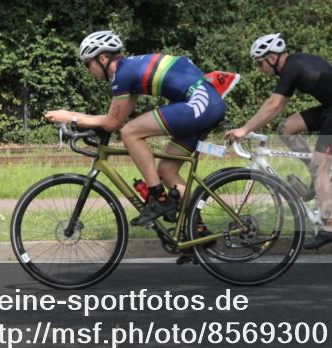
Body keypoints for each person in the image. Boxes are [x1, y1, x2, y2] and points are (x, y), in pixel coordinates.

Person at [44, 30, 228, 227]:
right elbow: (113, 119)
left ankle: (159, 198)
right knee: (166, 170)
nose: (88, 70)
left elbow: (113, 124)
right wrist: (77, 118)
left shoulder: (123, 73)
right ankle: (197, 230)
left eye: (88, 63)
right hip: (206, 103)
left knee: (130, 132)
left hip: (201, 103)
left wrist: (71, 117)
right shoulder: (130, 72)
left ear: (103, 58)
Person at [224, 33, 332, 250]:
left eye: (260, 63)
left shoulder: (292, 66)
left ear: (272, 57)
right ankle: (315, 179)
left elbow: (274, 105)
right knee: (286, 128)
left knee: (321, 168)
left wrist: (244, 129)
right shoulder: (292, 65)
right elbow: (275, 110)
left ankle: (329, 228)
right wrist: (249, 127)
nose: (260, 68)